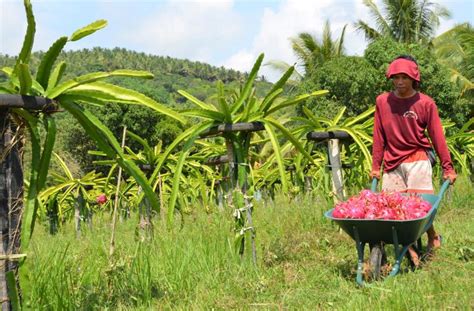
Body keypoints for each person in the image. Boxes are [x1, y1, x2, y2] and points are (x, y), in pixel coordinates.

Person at [370, 55, 457, 266]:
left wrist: (448, 167)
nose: (399, 82)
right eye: (396, 77)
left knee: (418, 209)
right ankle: (409, 248)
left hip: (418, 158)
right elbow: (379, 136)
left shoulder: (425, 103)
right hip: (392, 162)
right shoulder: (383, 101)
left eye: (404, 78)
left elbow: (437, 136)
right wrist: (375, 166)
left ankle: (431, 237)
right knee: (393, 211)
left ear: (413, 79)